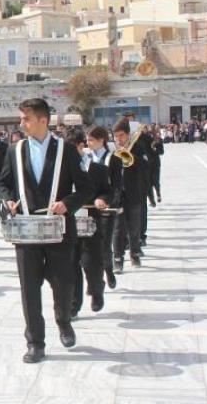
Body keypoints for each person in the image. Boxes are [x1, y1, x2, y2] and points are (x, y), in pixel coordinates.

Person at [0, 98, 92, 363]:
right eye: (21, 118)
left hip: (59, 230)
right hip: (26, 232)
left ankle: (64, 320)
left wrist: (67, 204)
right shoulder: (14, 150)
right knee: (29, 289)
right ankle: (35, 342)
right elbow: (2, 184)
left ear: (42, 120)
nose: (21, 123)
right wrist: (7, 200)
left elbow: (85, 188)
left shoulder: (66, 150)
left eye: (26, 119)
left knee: (63, 283)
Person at [66, 128, 114, 317]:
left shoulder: (98, 169)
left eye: (71, 149)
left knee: (91, 264)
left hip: (91, 224)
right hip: (69, 224)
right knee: (71, 267)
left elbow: (108, 191)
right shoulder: (61, 171)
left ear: (81, 146)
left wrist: (102, 199)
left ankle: (96, 289)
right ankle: (73, 306)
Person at [86, 127, 123, 290]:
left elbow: (117, 186)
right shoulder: (85, 158)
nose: (88, 143)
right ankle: (95, 280)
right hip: (88, 208)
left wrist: (108, 201)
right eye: (87, 140)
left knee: (104, 245)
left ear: (101, 140)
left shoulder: (113, 159)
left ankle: (108, 271)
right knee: (88, 248)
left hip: (106, 209)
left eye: (91, 140)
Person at [112, 119, 148, 273]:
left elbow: (146, 165)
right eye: (116, 136)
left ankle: (134, 255)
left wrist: (129, 156)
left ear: (128, 135)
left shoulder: (138, 147)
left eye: (121, 135)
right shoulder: (112, 149)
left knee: (134, 227)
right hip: (117, 195)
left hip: (134, 193)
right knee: (117, 229)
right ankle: (118, 259)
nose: (118, 139)